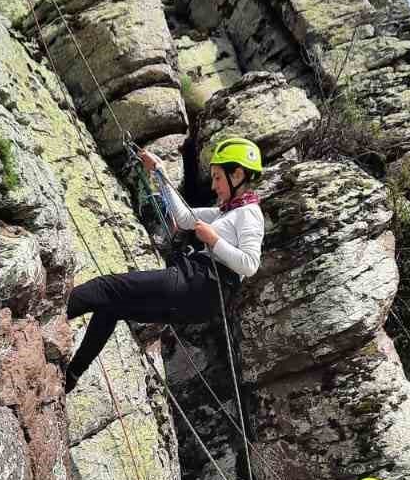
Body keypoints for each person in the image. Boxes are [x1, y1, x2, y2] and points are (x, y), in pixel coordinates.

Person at [64, 135, 264, 391]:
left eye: (217, 177)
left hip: (198, 282)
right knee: (111, 306)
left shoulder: (249, 215)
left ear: (236, 175)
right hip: (199, 298)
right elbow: (182, 217)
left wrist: (213, 241)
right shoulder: (227, 212)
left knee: (106, 288)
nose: (214, 186)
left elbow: (249, 265)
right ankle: (71, 375)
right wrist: (159, 171)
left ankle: (48, 316)